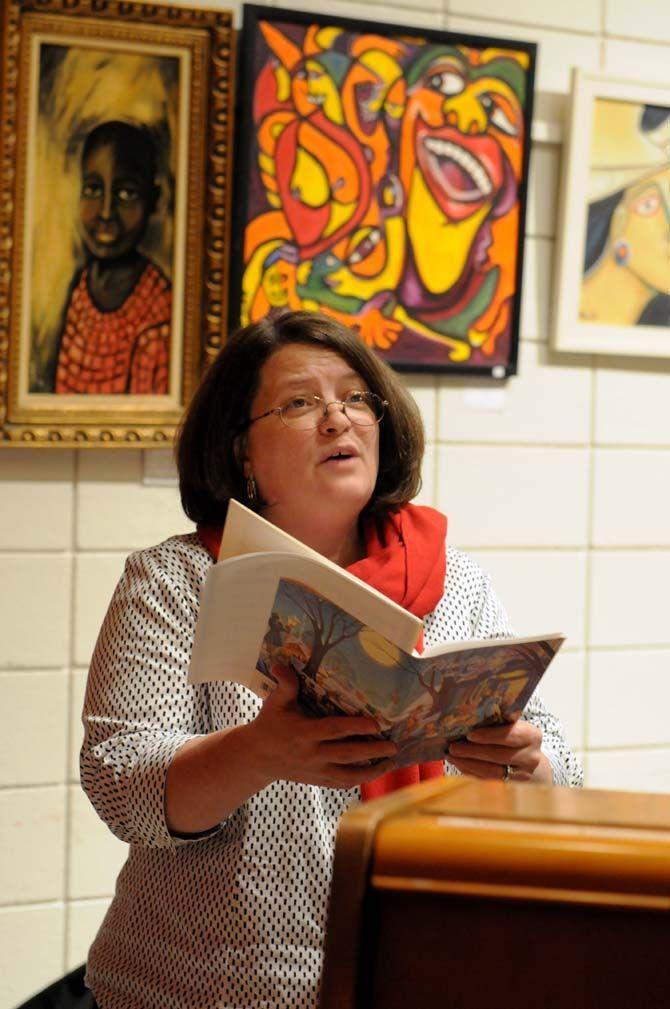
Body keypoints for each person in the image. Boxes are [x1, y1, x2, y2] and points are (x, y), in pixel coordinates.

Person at [80, 310, 583, 1009]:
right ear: (241, 454)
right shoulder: (176, 581)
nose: (337, 419)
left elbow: (560, 762)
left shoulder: (454, 579)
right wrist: (257, 751)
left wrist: (528, 763)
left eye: (353, 397)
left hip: (421, 970)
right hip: (200, 988)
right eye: (299, 402)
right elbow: (119, 784)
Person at [54, 120, 172, 395]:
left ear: (153, 200)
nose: (106, 212)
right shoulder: (80, 291)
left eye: (126, 193)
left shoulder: (158, 313)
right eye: (93, 189)